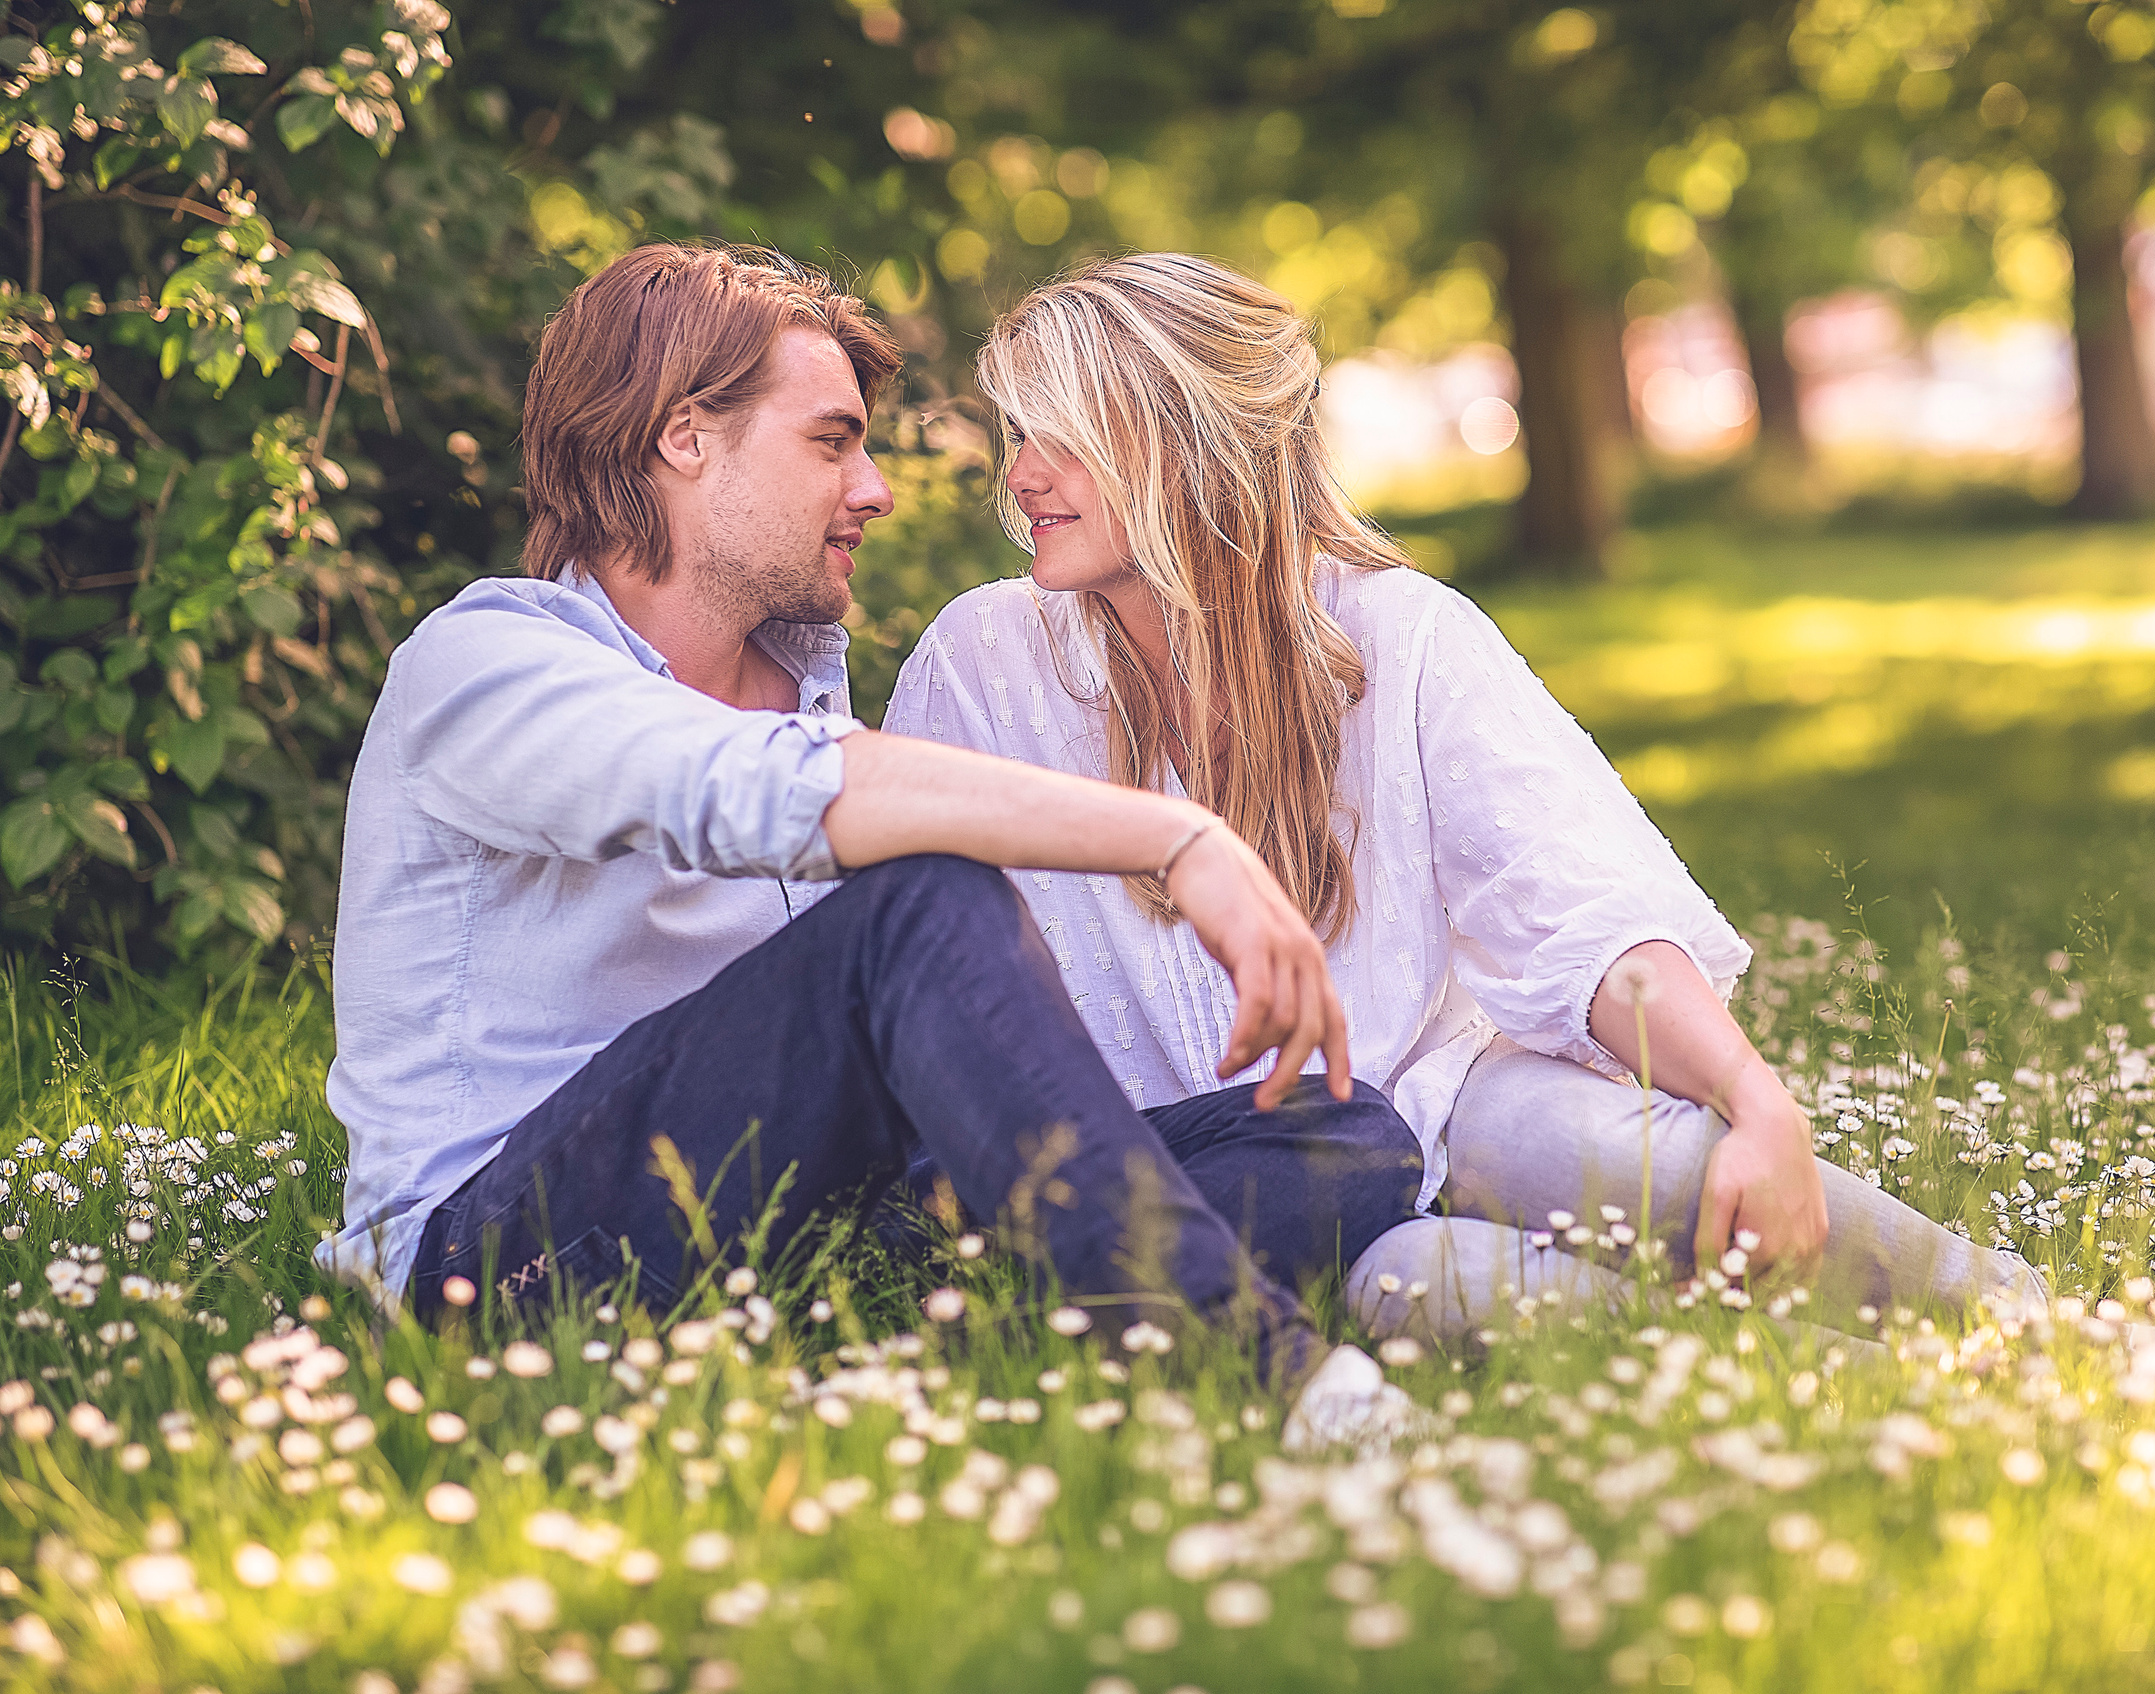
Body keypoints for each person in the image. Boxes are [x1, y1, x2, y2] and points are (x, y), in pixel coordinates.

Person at [314, 243, 1429, 1450]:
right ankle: (1272, 1378)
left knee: (1341, 1135)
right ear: (684, 438)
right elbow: (734, 791)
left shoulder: (805, 697)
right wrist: (1177, 838)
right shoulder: (486, 667)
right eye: (832, 440)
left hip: (795, 1226)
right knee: (919, 903)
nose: (876, 488)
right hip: (501, 1266)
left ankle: (901, 1367)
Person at [883, 253, 2048, 1340]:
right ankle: (1834, 1390)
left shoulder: (1400, 634)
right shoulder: (980, 662)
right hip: (1221, 1179)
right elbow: (903, 959)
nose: (1022, 475)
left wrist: (1758, 1100)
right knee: (1431, 1284)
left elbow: (1579, 912)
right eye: (1019, 435)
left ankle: (2019, 1325)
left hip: (1430, 1100)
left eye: (1064, 439)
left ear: (1189, 442)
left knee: (1647, 1154)